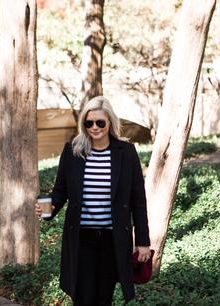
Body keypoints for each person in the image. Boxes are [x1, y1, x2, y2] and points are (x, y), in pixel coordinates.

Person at [35, 96, 151, 305]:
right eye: (89, 123)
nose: (94, 127)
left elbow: (138, 201)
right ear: (83, 124)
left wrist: (143, 242)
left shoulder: (126, 153)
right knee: (83, 296)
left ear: (110, 123)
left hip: (112, 238)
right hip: (81, 238)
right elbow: (60, 191)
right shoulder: (73, 152)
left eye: (100, 122)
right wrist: (50, 207)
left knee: (103, 297)